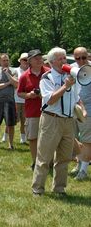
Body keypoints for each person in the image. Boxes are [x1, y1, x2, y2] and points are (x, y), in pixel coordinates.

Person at [32, 47, 83, 197]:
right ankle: (38, 188)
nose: (64, 62)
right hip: (51, 119)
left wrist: (81, 109)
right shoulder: (46, 78)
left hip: (68, 121)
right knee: (44, 156)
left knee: (64, 157)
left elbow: (75, 97)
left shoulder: (71, 76)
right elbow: (51, 99)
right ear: (53, 62)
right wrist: (65, 86)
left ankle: (59, 188)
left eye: (65, 59)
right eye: (60, 59)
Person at [17, 50, 48, 170]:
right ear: (29, 61)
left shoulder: (49, 73)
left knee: (47, 138)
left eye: (40, 57)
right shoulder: (25, 76)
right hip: (32, 111)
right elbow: (19, 93)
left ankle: (47, 161)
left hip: (49, 111)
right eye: (36, 58)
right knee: (33, 137)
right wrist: (29, 95)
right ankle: (35, 161)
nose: (39, 60)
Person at [0, 53, 18, 149]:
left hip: (10, 100)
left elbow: (16, 84)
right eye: (4, 60)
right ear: (0, 61)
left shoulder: (14, 71)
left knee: (10, 124)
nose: (6, 62)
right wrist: (7, 83)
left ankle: (11, 144)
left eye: (7, 60)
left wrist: (8, 74)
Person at [73, 47, 91, 180]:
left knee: (86, 140)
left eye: (83, 57)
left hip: (88, 112)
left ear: (88, 56)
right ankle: (79, 164)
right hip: (73, 110)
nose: (81, 60)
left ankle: (83, 171)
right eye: (78, 58)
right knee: (75, 139)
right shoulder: (72, 69)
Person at [14, 53, 29, 144]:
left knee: (24, 119)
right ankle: (6, 135)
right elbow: (15, 83)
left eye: (27, 60)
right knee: (13, 118)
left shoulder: (30, 71)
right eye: (24, 60)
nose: (26, 62)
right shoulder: (16, 71)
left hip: (27, 99)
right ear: (20, 61)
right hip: (16, 98)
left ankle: (23, 137)